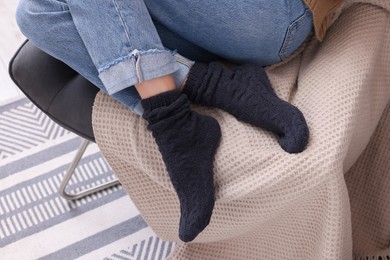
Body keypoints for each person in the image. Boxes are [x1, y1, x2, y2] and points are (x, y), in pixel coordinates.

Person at [15, 0, 342, 242]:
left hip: (274, 14)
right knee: (36, 14)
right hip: (206, 20)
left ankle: (176, 123)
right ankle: (194, 91)